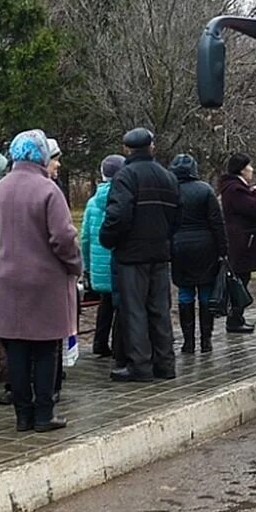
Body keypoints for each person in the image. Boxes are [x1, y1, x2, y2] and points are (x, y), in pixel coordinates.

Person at [0, 129, 82, 432]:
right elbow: (63, 238)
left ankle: (22, 415)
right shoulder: (48, 190)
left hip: (8, 284)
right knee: (46, 349)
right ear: (41, 155)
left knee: (18, 351)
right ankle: (44, 413)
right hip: (46, 283)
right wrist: (75, 265)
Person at [99, 127, 180, 382]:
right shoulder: (168, 177)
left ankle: (140, 366)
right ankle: (165, 364)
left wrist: (108, 239)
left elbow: (118, 215)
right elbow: (178, 215)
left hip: (132, 255)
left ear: (127, 149)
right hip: (160, 253)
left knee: (134, 311)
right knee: (160, 310)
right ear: (151, 147)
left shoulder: (125, 177)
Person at [169, 153, 228, 354]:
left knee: (185, 292)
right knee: (205, 292)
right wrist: (223, 251)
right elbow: (217, 223)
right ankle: (206, 340)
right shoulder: (205, 190)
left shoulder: (171, 191)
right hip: (206, 247)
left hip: (179, 247)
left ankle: (188, 342)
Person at [81, 154, 125, 358]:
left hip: (98, 266)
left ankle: (99, 341)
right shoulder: (124, 199)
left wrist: (88, 267)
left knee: (105, 304)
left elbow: (85, 238)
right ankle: (119, 346)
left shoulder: (91, 203)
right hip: (118, 263)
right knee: (120, 306)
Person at [218, 152, 256, 334]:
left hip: (243, 242)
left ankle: (237, 317)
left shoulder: (235, 188)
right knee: (239, 281)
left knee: (241, 280)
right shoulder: (235, 189)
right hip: (242, 243)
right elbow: (253, 208)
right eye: (249, 166)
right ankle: (235, 319)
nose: (252, 170)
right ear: (241, 169)